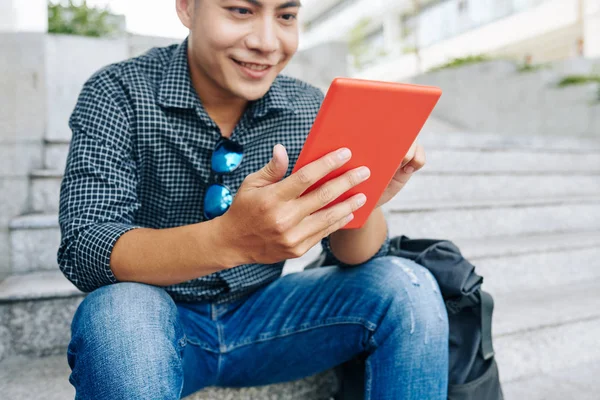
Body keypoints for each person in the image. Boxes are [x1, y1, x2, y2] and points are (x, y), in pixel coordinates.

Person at [58, 0, 449, 398]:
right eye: (241, 10)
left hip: (265, 318)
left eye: (286, 16)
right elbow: (86, 247)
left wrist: (360, 199)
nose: (267, 42)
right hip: (155, 323)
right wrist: (230, 239)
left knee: (405, 285)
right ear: (187, 8)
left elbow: (356, 256)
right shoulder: (119, 92)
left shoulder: (307, 106)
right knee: (120, 310)